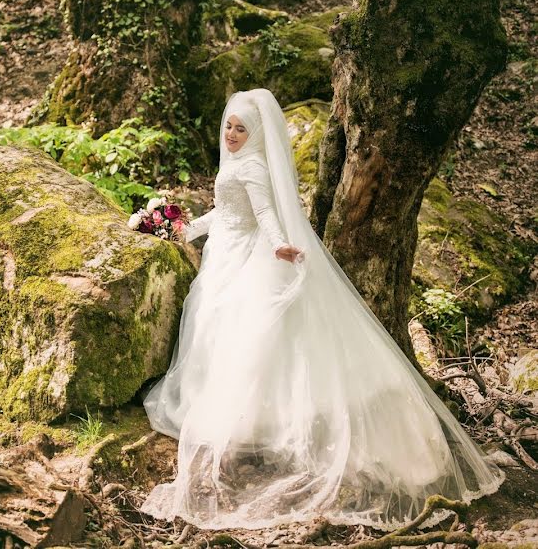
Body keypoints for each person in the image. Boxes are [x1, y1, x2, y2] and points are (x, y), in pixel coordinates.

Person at [139, 88, 505, 531]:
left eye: (241, 129)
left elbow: (265, 212)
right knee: (213, 327)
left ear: (255, 135)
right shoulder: (233, 161)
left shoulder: (253, 166)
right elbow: (224, 211)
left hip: (248, 257)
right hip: (224, 252)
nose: (232, 135)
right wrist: (185, 229)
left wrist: (279, 245)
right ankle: (227, 416)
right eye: (229, 127)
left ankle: (245, 425)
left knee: (238, 331)